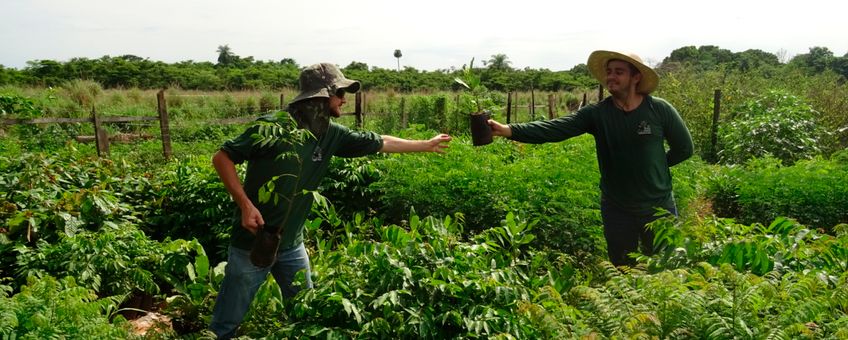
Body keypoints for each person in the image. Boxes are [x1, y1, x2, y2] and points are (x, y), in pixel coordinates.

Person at [209, 62, 452, 339]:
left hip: (292, 245)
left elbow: (381, 141)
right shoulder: (273, 128)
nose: (344, 100)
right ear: (322, 96)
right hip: (250, 242)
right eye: (340, 93)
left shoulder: (332, 134)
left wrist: (426, 144)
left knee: (306, 313)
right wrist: (245, 204)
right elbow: (222, 157)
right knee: (226, 324)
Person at [487, 50, 693, 266]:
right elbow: (556, 128)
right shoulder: (597, 114)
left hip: (658, 206)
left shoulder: (658, 109)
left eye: (619, 72)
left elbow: (684, 148)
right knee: (622, 269)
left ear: (636, 77)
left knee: (667, 268)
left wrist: (654, 168)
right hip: (617, 207)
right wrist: (509, 130)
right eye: (609, 72)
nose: (611, 77)